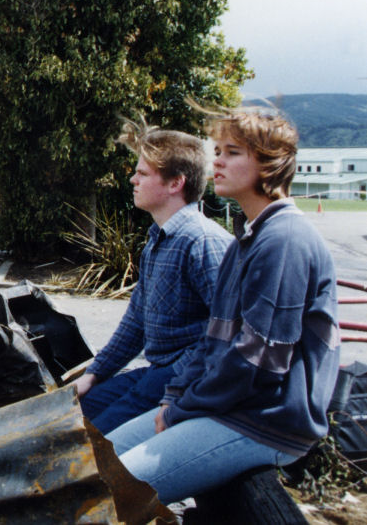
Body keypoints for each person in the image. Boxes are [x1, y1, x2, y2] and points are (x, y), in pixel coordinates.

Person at [106, 108, 340, 504]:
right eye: (218, 150)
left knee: (106, 493)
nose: (216, 160)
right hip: (230, 408)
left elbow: (256, 363)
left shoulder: (285, 240)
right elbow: (212, 342)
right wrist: (173, 398)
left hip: (265, 422)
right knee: (91, 461)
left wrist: (182, 410)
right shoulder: (247, 239)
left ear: (270, 164)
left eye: (233, 152)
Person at [74, 121, 233, 434]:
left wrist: (177, 387)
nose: (133, 179)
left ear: (175, 183)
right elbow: (136, 322)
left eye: (143, 173)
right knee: (71, 417)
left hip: (183, 377)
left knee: (92, 443)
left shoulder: (202, 241)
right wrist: (94, 374)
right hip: (157, 371)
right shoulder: (158, 239)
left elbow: (227, 331)